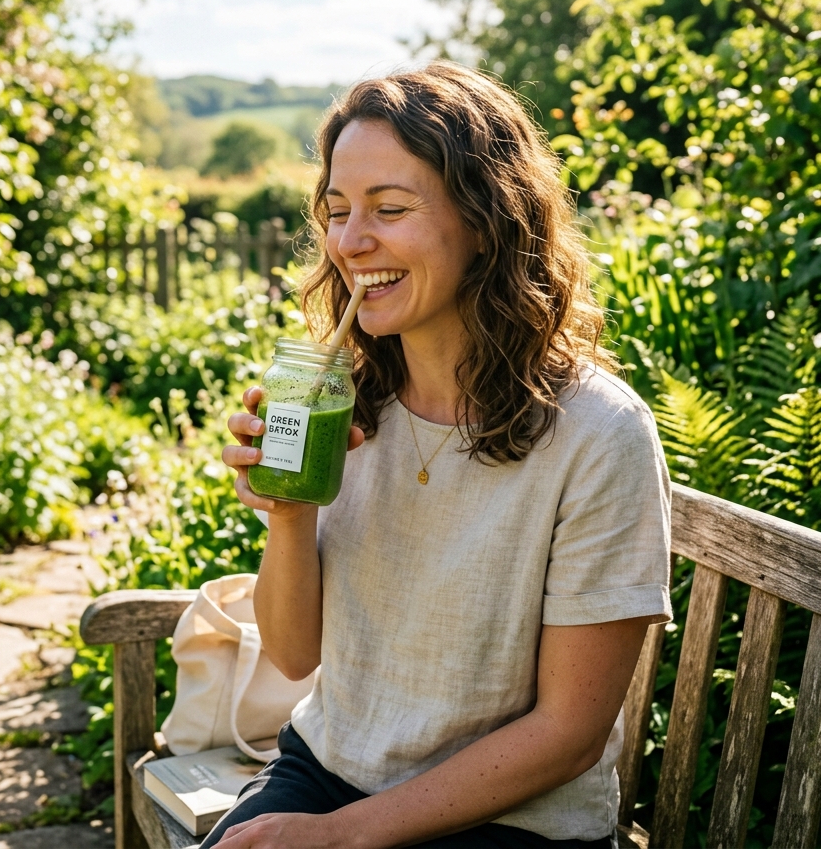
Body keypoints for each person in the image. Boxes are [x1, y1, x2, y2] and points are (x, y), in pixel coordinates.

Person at [212, 62, 671, 849]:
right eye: (337, 211)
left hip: (510, 819)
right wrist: (288, 514)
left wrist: (343, 837)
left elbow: (569, 734)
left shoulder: (597, 434)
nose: (350, 242)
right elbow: (291, 658)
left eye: (389, 208)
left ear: (487, 220)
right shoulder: (341, 403)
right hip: (330, 767)